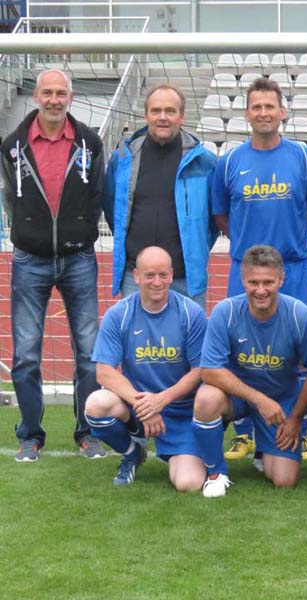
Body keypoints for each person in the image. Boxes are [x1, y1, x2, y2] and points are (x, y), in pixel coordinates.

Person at [211, 77, 307, 462]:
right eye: (256, 107)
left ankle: (297, 429)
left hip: (293, 268)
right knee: (240, 351)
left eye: (269, 106)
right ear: (246, 113)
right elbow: (222, 214)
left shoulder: (304, 158)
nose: (263, 113)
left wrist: (285, 248)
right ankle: (243, 432)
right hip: (245, 270)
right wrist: (253, 254)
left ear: (282, 111)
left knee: (297, 354)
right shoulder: (229, 163)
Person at [0, 69, 106, 462]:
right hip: (30, 259)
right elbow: (13, 197)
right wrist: (31, 232)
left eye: (61, 93)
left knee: (90, 352)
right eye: (47, 92)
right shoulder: (13, 145)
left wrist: (80, 230)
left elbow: (96, 195)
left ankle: (89, 431)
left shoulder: (89, 142)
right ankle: (30, 434)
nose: (54, 100)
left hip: (79, 257)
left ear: (71, 97)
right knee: (26, 353)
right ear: (36, 96)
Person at [192, 245, 307, 498]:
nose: (260, 290)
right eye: (253, 282)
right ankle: (216, 473)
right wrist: (259, 400)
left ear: (281, 280)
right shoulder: (226, 312)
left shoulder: (300, 316)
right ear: (243, 280)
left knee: (284, 480)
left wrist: (295, 418)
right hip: (239, 397)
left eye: (268, 282)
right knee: (206, 398)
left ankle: (266, 448)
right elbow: (209, 371)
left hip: (281, 399)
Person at [85, 247, 207, 488]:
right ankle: (133, 452)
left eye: (163, 275)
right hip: (138, 408)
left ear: (172, 275)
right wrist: (147, 407)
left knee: (189, 484)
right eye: (149, 275)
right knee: (97, 404)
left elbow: (199, 371)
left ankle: (176, 451)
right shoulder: (119, 315)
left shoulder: (191, 313)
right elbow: (104, 372)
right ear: (136, 276)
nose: (157, 282)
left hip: (181, 411)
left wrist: (161, 400)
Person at [104, 84, 217, 308]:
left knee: (190, 341)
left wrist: (195, 248)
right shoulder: (123, 158)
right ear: (146, 115)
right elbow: (112, 209)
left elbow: (214, 220)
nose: (162, 117)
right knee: (136, 341)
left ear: (182, 116)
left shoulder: (205, 162)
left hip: (186, 278)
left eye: (170, 111)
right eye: (156, 111)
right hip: (135, 277)